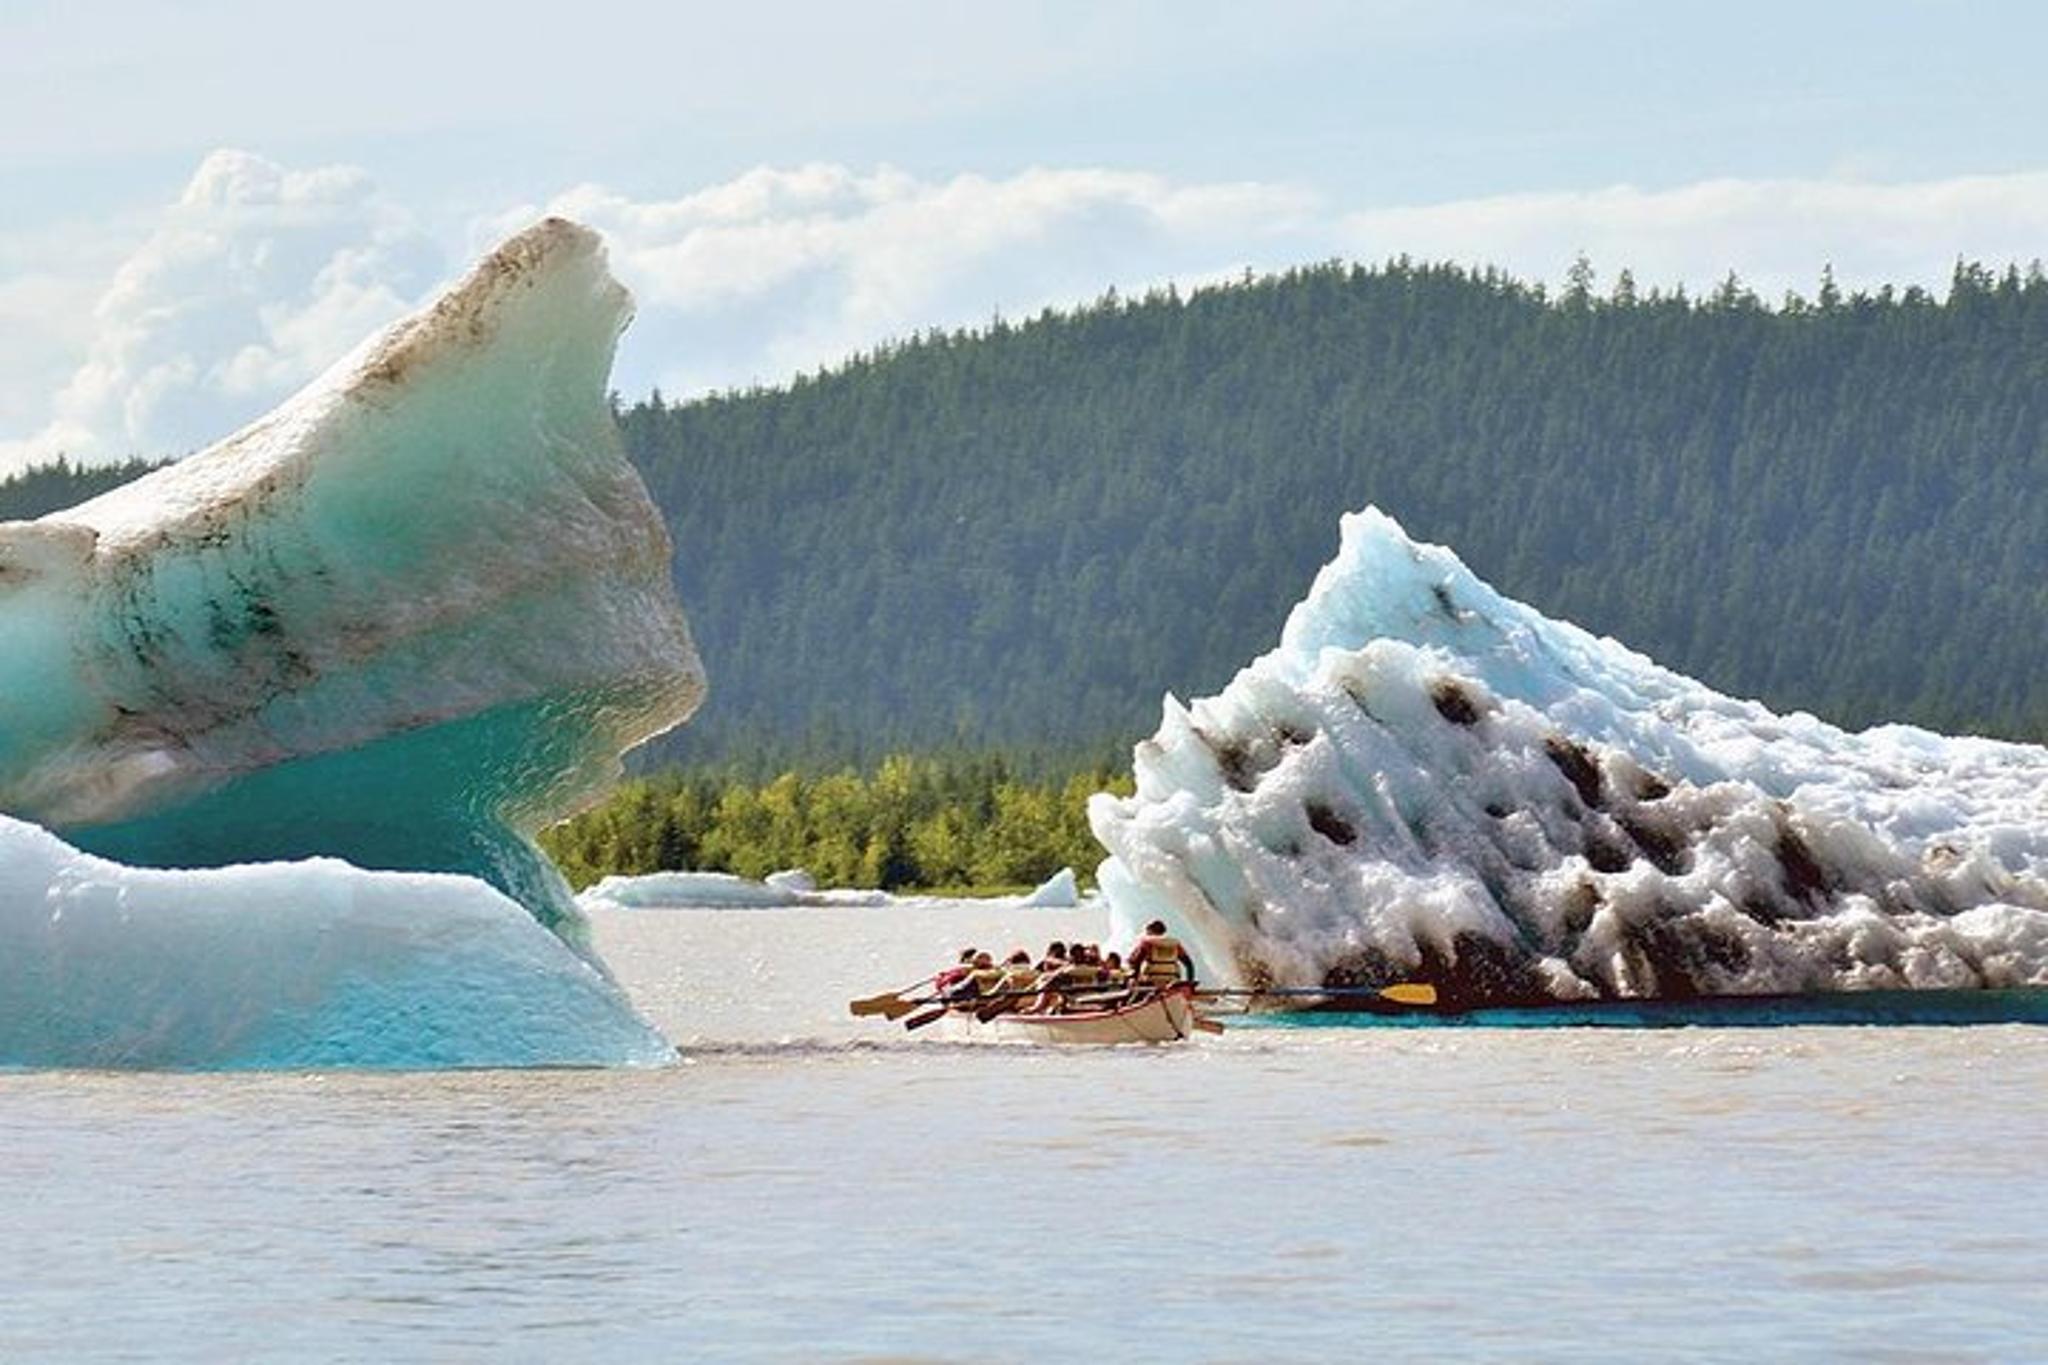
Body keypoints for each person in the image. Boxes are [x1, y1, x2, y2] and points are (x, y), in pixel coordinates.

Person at [1130, 920, 1195, 991]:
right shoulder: (1175, 944)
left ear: (1149, 930)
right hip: (1172, 980)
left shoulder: (1146, 943)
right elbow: (1189, 964)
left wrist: (1134, 979)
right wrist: (1189, 982)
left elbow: (1136, 962)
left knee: (1130, 982)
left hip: (1151, 980)